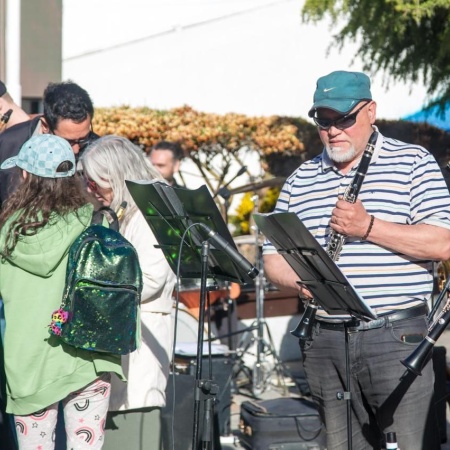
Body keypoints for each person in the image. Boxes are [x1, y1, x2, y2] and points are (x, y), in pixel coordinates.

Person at [262, 70, 450, 450]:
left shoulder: (414, 162)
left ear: (371, 111)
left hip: (396, 338)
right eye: (324, 121)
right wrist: (304, 284)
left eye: (344, 118)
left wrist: (367, 227)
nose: (334, 131)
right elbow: (272, 257)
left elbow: (443, 243)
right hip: (326, 341)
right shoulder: (300, 179)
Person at [0, 134, 124, 450]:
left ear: (25, 175)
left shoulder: (7, 233)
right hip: (87, 354)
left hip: (28, 363)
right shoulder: (95, 222)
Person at [80, 135, 177, 450]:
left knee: (134, 431)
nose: (91, 189)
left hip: (143, 343)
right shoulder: (117, 210)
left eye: (97, 182)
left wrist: (95, 283)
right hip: (121, 341)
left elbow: (151, 280)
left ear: (118, 176)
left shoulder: (150, 214)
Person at [0, 80, 98, 203]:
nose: (76, 150)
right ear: (45, 126)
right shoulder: (7, 145)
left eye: (83, 139)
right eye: (68, 142)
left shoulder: (99, 151)